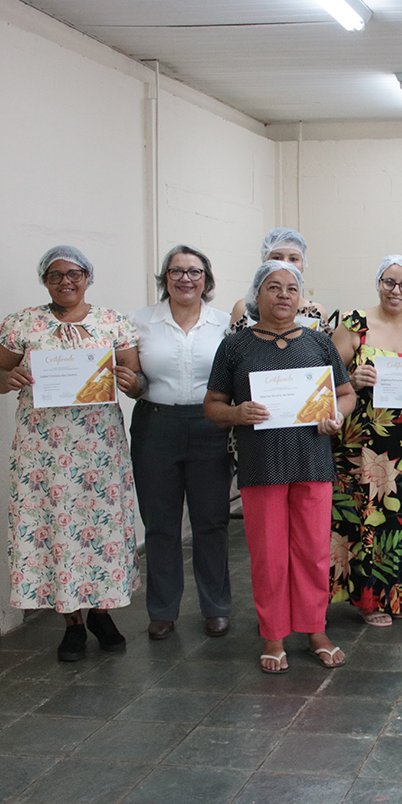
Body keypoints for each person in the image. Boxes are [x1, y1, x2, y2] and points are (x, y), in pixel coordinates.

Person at [0, 245, 143, 661]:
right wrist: (9, 376)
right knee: (54, 526)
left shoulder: (113, 323)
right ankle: (71, 621)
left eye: (74, 273)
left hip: (99, 449)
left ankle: (102, 612)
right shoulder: (23, 324)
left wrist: (130, 381)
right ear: (45, 281)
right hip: (43, 450)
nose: (66, 281)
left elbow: (137, 379)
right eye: (55, 275)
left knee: (101, 526)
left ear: (88, 276)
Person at [205, 260, 356, 672]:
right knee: (268, 554)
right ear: (258, 295)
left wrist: (337, 417)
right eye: (274, 287)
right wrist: (237, 414)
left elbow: (345, 394)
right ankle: (273, 635)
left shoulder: (318, 343)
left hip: (312, 460)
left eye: (292, 288)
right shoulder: (235, 346)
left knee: (312, 551)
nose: (284, 295)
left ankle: (315, 629)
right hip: (261, 463)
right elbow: (212, 405)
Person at [129, 244, 233, 640]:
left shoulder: (224, 324)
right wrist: (127, 382)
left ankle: (216, 607)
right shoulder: (139, 323)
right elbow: (135, 378)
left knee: (211, 521)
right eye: (176, 271)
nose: (185, 278)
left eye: (194, 271)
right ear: (164, 278)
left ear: (206, 279)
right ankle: (162, 610)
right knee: (160, 524)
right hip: (157, 425)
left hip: (210, 424)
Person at [330, 255, 402, 626]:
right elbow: (326, 376)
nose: (396, 290)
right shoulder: (354, 324)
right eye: (388, 282)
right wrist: (352, 376)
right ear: (378, 283)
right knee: (365, 516)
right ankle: (369, 601)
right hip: (360, 439)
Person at [229, 228, 333, 334]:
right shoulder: (243, 309)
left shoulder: (316, 313)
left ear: (303, 264)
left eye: (293, 259)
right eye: (277, 257)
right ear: (265, 262)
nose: (285, 264)